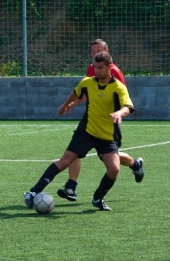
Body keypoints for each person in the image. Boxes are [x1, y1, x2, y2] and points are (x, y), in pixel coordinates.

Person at [24, 51, 134, 212]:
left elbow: (128, 107)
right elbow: (76, 93)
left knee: (114, 169)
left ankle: (98, 198)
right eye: (95, 67)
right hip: (86, 131)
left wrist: (119, 113)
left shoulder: (118, 87)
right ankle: (32, 192)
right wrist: (64, 106)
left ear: (109, 67)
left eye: (100, 68)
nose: (97, 71)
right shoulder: (87, 82)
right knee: (65, 161)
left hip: (107, 136)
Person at [57, 39, 145, 203]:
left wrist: (119, 114)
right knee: (75, 150)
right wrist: (72, 103)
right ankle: (71, 187)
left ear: (107, 52)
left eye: (98, 51)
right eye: (92, 52)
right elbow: (88, 91)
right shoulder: (92, 68)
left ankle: (135, 165)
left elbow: (121, 96)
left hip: (110, 122)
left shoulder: (113, 71)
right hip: (92, 120)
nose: (95, 54)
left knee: (111, 156)